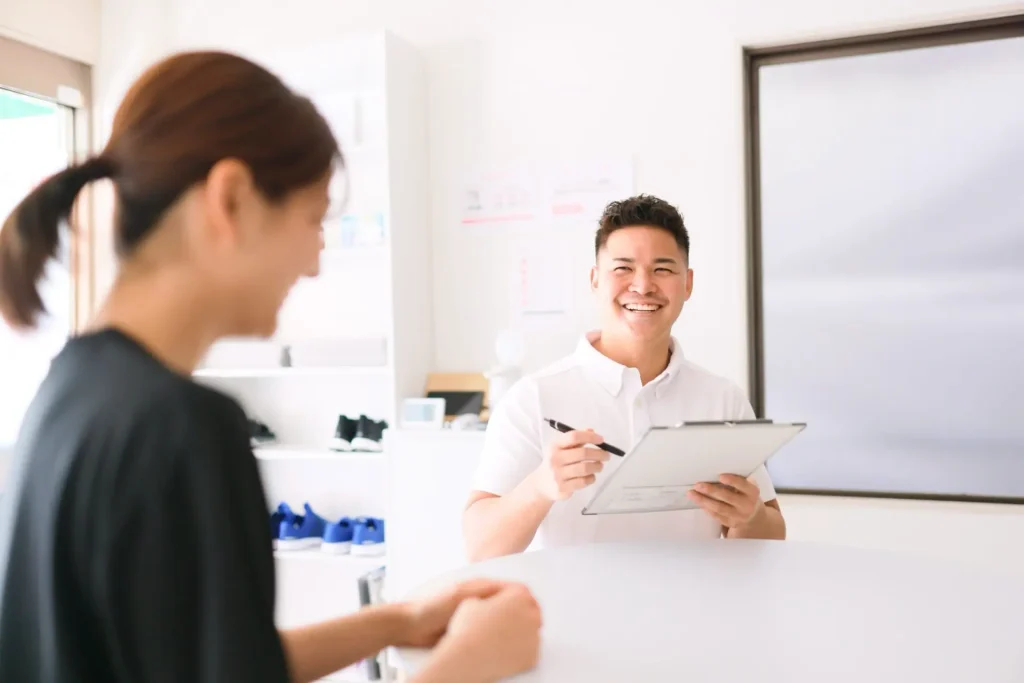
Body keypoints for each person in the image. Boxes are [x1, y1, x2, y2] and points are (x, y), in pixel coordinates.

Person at [0, 51, 541, 683]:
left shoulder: (71, 391)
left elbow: (205, 660)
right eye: (312, 221)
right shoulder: (183, 428)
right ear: (230, 199)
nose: (313, 264)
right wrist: (470, 665)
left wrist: (397, 621)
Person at [464, 194, 786, 560]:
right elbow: (480, 548)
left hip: (695, 613)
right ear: (595, 280)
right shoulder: (534, 398)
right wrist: (539, 487)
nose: (643, 285)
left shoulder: (721, 399)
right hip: (574, 614)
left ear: (687, 283)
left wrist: (751, 516)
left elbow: (772, 536)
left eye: (662, 269)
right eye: (623, 269)